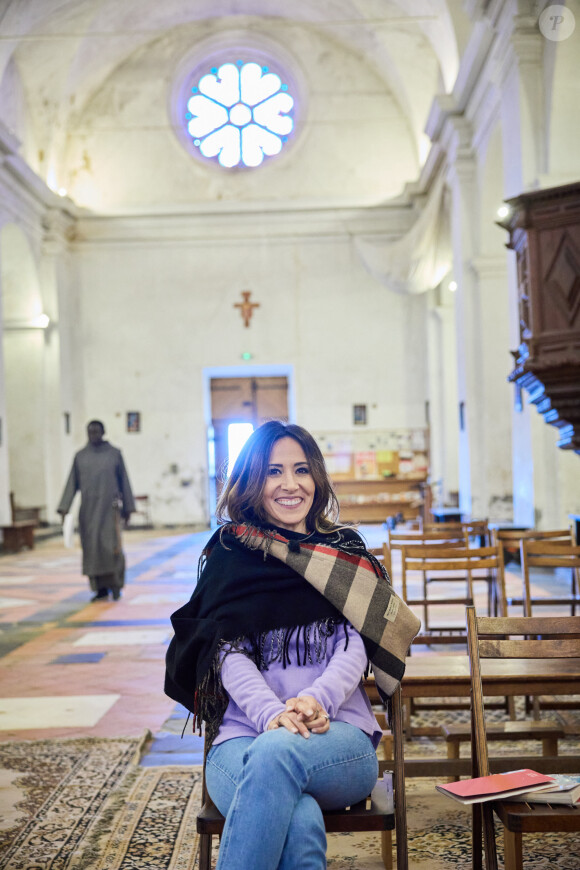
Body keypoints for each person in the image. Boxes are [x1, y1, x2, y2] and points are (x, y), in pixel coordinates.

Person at [165, 421, 420, 870]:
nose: (290, 484)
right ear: (251, 481)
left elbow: (354, 645)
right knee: (295, 809)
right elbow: (227, 654)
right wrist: (272, 714)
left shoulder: (343, 551)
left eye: (301, 470)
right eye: (273, 471)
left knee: (277, 752)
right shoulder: (231, 553)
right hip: (241, 741)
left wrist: (314, 700)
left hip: (338, 739)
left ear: (316, 478)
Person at [57, 420, 135, 601]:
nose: (93, 434)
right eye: (90, 431)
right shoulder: (80, 456)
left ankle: (115, 586)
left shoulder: (114, 454)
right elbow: (71, 483)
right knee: (92, 551)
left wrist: (128, 509)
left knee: (112, 548)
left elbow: (124, 481)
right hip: (88, 513)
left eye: (96, 431)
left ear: (103, 431)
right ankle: (99, 588)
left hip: (110, 512)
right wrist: (64, 508)